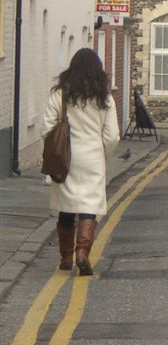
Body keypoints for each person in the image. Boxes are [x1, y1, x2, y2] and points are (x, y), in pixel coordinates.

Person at [41, 48, 120, 276]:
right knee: (89, 208)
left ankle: (66, 257)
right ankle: (82, 253)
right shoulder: (105, 98)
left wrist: (55, 147)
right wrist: (103, 153)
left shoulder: (61, 95)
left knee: (67, 207)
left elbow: (47, 128)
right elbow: (112, 135)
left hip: (66, 159)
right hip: (93, 158)